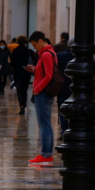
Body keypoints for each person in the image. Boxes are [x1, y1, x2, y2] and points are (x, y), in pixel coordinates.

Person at [27, 33, 58, 165]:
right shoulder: (48, 53)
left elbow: (49, 76)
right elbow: (45, 73)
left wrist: (37, 89)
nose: (35, 48)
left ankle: (46, 154)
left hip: (43, 93)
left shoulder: (46, 54)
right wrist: (35, 70)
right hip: (43, 92)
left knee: (44, 125)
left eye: (35, 45)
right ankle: (46, 153)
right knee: (46, 124)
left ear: (40, 41)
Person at [8, 36, 35, 113]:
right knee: (25, 89)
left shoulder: (15, 51)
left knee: (19, 90)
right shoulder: (28, 51)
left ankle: (21, 106)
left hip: (17, 73)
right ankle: (24, 103)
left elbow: (11, 63)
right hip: (26, 73)